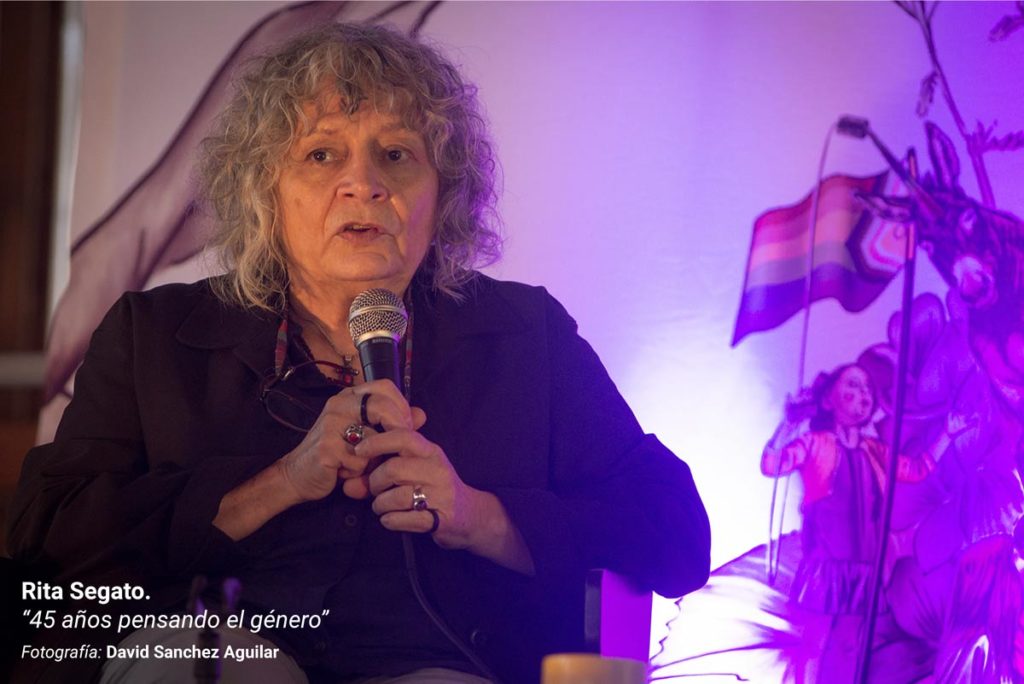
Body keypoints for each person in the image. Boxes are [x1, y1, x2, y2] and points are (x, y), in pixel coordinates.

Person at [6, 23, 711, 684]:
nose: (363, 182)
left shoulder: (528, 337)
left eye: (397, 154)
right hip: (216, 647)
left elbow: (674, 535)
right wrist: (279, 482)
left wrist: (477, 516)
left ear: (445, 195)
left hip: (445, 661)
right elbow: (48, 538)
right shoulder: (153, 336)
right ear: (265, 193)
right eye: (321, 154)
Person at [761, 363, 964, 684]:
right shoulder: (815, 444)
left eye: (867, 388)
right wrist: (788, 424)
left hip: (863, 569)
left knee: (852, 644)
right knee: (816, 641)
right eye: (853, 386)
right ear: (830, 400)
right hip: (827, 565)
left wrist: (947, 434)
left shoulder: (874, 450)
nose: (863, 394)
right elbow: (772, 464)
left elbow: (915, 469)